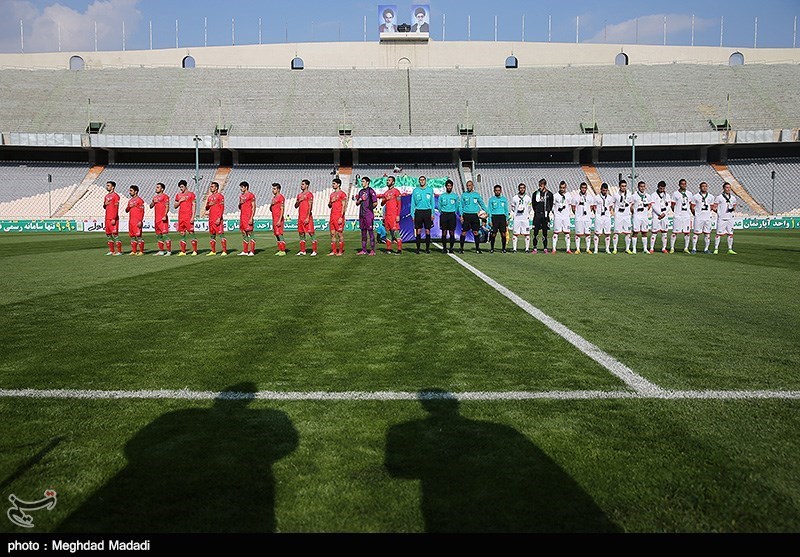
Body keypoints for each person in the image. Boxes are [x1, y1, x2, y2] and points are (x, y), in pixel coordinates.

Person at [458, 180, 487, 253]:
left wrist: (487, 212)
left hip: (475, 216)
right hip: (466, 215)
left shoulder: (476, 195)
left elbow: (482, 204)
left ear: (472, 186)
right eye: (467, 186)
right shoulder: (464, 195)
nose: (468, 187)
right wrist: (461, 215)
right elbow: (461, 206)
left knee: (476, 232)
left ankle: (477, 248)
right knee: (464, 232)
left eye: (469, 185)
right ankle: (461, 248)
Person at [410, 175, 435, 254]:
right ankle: (418, 249)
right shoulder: (415, 190)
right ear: (419, 181)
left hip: (427, 212)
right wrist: (412, 214)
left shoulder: (430, 190)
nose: (422, 181)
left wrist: (432, 213)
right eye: (420, 180)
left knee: (427, 230)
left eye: (423, 180)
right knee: (418, 230)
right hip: (418, 212)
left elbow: (432, 202)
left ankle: (427, 249)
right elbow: (413, 203)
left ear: (425, 181)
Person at [173, 179, 197, 256]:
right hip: (181, 217)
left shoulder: (191, 194)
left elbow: (194, 205)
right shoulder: (178, 195)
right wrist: (180, 201)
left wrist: (193, 217)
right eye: (180, 187)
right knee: (182, 233)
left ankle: (195, 251)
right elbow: (175, 206)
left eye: (182, 187)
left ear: (186, 186)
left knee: (191, 232)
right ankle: (183, 251)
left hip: (188, 216)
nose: (181, 188)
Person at [712, 182, 738, 255]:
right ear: (723, 188)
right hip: (722, 219)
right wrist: (719, 213)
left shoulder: (733, 198)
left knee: (730, 234)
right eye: (727, 187)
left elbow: (734, 206)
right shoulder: (719, 197)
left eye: (729, 187)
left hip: (730, 218)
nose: (728, 189)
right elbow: (714, 207)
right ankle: (716, 249)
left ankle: (730, 249)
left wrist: (732, 209)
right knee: (718, 234)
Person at [355, 176, 378, 255]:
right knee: (363, 233)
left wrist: (370, 209)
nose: (362, 183)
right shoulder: (361, 191)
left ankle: (372, 250)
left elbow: (375, 203)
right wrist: (360, 200)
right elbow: (357, 203)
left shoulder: (370, 191)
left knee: (370, 232)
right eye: (361, 181)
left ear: (367, 182)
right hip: (361, 214)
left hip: (368, 215)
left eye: (363, 181)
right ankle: (364, 250)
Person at [381, 175, 403, 255]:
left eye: (389, 180)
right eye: (387, 180)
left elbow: (399, 204)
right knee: (388, 232)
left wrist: (398, 215)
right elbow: (382, 203)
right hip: (387, 216)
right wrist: (385, 199)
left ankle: (399, 250)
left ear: (393, 182)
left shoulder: (396, 192)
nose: (387, 181)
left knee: (396, 232)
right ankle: (388, 249)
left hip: (394, 215)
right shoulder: (386, 193)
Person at [670, 178, 693, 253]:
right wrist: (676, 212)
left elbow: (690, 204)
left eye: (685, 184)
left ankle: (686, 248)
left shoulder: (689, 194)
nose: (684, 185)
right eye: (682, 184)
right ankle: (672, 248)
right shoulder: (675, 193)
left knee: (687, 232)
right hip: (678, 216)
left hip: (686, 215)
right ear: (679, 185)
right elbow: (672, 205)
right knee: (675, 232)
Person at [690, 181, 714, 254]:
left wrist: (707, 213)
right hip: (698, 218)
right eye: (703, 186)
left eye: (705, 186)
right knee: (696, 233)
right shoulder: (695, 196)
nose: (704, 187)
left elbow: (711, 207)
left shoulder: (711, 197)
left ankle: (706, 249)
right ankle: (694, 248)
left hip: (707, 218)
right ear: (700, 187)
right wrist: (696, 214)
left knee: (707, 233)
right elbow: (692, 207)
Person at [531, 178, 554, 253]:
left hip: (545, 215)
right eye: (539, 185)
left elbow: (551, 204)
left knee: (545, 232)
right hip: (537, 215)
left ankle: (545, 248)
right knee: (535, 232)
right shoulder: (535, 193)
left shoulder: (549, 194)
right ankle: (535, 248)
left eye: (541, 185)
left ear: (544, 185)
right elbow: (533, 204)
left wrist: (547, 211)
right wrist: (537, 211)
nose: (540, 186)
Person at [295, 179, 317, 256]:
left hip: (307, 217)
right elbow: (296, 206)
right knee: (301, 233)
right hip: (300, 217)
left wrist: (308, 217)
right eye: (301, 184)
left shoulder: (309, 194)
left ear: (307, 185)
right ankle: (303, 251)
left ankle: (314, 251)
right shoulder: (299, 195)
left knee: (311, 233)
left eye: (303, 184)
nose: (301, 186)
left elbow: (310, 206)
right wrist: (299, 201)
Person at [509, 182, 532, 253]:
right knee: (515, 234)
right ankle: (514, 249)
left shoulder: (528, 198)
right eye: (520, 188)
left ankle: (527, 249)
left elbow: (529, 208)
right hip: (517, 218)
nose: (522, 189)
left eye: (523, 188)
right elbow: (513, 207)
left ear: (525, 189)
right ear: (518, 189)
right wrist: (517, 211)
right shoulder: (514, 198)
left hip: (525, 218)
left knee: (527, 234)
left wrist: (525, 213)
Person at [205, 181, 226, 256]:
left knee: (221, 234)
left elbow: (222, 208)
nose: (211, 188)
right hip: (211, 219)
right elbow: (206, 208)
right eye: (210, 187)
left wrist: (219, 218)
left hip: (217, 218)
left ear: (216, 188)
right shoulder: (210, 197)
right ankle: (213, 251)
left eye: (212, 186)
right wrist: (208, 205)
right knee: (212, 235)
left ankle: (224, 251)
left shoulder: (220, 196)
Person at [571, 182, 593, 254]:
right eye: (582, 188)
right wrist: (578, 214)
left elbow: (591, 207)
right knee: (578, 234)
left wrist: (588, 214)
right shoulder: (576, 197)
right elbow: (573, 207)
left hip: (587, 218)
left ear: (586, 189)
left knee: (588, 234)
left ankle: (588, 249)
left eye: (585, 188)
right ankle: (578, 249)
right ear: (580, 188)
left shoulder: (590, 197)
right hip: (579, 218)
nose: (583, 189)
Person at [649, 180, 671, 254]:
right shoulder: (653, 195)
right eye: (661, 188)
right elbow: (653, 206)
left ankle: (664, 248)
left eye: (663, 188)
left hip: (664, 216)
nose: (662, 189)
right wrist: (660, 213)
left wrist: (664, 213)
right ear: (658, 187)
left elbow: (669, 205)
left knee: (664, 232)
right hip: (656, 216)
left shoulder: (667, 195)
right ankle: (651, 248)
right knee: (654, 232)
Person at [438, 179, 459, 254]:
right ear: (446, 186)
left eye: (450, 186)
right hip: (444, 215)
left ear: (452, 187)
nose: (449, 187)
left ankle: (451, 248)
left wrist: (453, 212)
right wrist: (442, 212)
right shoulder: (442, 196)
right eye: (448, 186)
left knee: (452, 232)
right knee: (444, 232)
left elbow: (457, 206)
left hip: (452, 215)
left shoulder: (455, 196)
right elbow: (439, 206)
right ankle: (444, 248)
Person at [612, 179, 633, 254]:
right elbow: (612, 204)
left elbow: (631, 203)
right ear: (619, 186)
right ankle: (615, 249)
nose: (624, 187)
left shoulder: (629, 194)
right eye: (622, 186)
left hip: (627, 216)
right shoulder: (615, 194)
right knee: (616, 232)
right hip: (619, 216)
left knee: (628, 233)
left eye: (625, 186)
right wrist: (615, 211)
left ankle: (627, 249)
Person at [150, 182, 171, 256]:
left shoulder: (165, 196)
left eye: (158, 187)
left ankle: (169, 251)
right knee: (158, 235)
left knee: (165, 235)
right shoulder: (155, 197)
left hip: (163, 219)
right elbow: (151, 206)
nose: (156, 189)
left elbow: (167, 206)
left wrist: (165, 215)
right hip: (156, 219)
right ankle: (161, 251)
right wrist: (153, 202)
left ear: (162, 189)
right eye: (156, 187)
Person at [327, 178, 347, 256]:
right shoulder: (332, 194)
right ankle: (334, 251)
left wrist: (341, 217)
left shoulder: (342, 194)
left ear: (338, 184)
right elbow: (329, 205)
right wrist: (331, 202)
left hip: (338, 216)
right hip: (332, 216)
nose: (333, 185)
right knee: (332, 234)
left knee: (339, 234)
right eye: (332, 183)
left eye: (334, 183)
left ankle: (340, 251)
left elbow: (344, 206)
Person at [487, 184, 510, 253]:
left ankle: (503, 248)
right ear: (494, 191)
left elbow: (506, 210)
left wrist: (507, 219)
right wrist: (490, 220)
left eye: (499, 190)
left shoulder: (504, 199)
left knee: (503, 234)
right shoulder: (491, 199)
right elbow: (489, 210)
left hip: (502, 217)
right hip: (494, 217)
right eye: (496, 190)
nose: (497, 192)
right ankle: (492, 248)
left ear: (501, 191)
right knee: (493, 234)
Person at [551, 181, 572, 254]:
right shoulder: (555, 195)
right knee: (556, 233)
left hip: (566, 217)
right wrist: (555, 213)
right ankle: (554, 249)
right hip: (558, 217)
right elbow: (552, 206)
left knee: (567, 233)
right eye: (561, 188)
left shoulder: (569, 195)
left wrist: (567, 213)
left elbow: (570, 205)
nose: (562, 189)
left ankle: (568, 249)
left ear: (566, 187)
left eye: (563, 188)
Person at [631, 181, 651, 254]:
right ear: (638, 187)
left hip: (644, 216)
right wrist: (634, 212)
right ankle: (634, 249)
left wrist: (645, 211)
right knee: (635, 232)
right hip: (637, 216)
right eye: (641, 186)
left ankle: (645, 248)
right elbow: (631, 206)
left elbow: (649, 205)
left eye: (643, 186)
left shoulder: (648, 196)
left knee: (644, 232)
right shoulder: (634, 196)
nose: (642, 188)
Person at [593, 182, 614, 254]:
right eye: (603, 190)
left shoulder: (610, 198)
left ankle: (607, 249)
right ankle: (596, 249)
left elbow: (610, 207)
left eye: (606, 190)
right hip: (599, 217)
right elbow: (594, 207)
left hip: (607, 217)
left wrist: (607, 213)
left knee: (607, 233)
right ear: (601, 189)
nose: (604, 192)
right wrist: (597, 213)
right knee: (597, 233)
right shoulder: (596, 197)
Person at [125, 185, 145, 256]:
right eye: (129, 191)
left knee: (138, 236)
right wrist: (129, 207)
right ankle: (134, 251)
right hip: (131, 221)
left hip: (137, 221)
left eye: (131, 191)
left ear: (135, 191)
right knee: (132, 236)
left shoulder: (140, 200)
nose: (129, 192)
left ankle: (141, 251)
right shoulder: (130, 201)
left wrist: (140, 221)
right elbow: (126, 210)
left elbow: (142, 211)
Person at [103, 180, 122, 256]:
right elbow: (104, 206)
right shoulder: (106, 196)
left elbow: (116, 207)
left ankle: (119, 251)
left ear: (113, 187)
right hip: (107, 218)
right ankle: (112, 251)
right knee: (108, 234)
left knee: (115, 235)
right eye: (107, 185)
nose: (107, 187)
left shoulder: (116, 196)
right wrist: (105, 204)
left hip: (113, 218)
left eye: (108, 185)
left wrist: (114, 218)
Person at [238, 181, 256, 256]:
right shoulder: (241, 196)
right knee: (243, 233)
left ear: (246, 187)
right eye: (240, 187)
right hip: (242, 216)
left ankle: (252, 251)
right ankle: (245, 251)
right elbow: (240, 207)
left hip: (248, 216)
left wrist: (251, 217)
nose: (241, 189)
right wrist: (240, 203)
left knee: (250, 233)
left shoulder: (251, 195)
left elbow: (254, 207)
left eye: (242, 187)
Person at [270, 183, 287, 256]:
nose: (273, 190)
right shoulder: (274, 198)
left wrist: (280, 220)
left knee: (279, 234)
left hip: (278, 218)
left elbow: (282, 209)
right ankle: (280, 250)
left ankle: (283, 250)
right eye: (272, 189)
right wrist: (271, 204)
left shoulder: (281, 197)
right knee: (276, 234)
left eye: (274, 189)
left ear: (278, 189)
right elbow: (271, 209)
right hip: (274, 218)